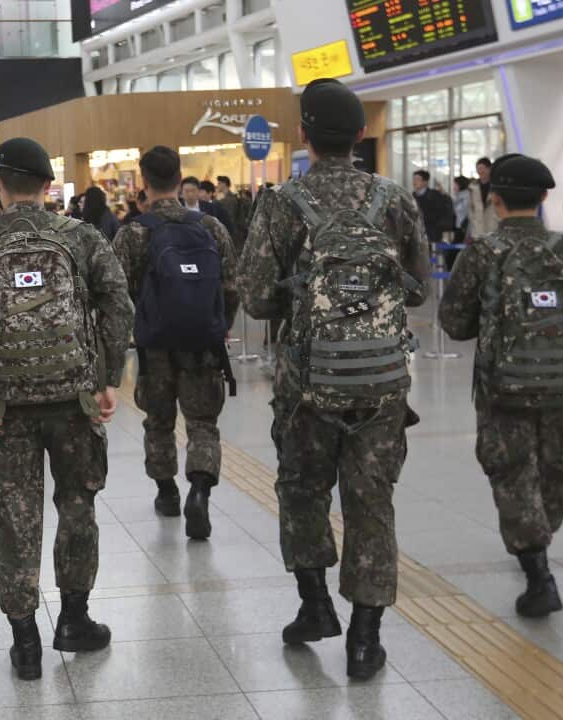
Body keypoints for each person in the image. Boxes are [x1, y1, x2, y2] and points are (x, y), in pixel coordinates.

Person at [237, 78, 430, 680]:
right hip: (381, 382)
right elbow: (419, 287)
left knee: (302, 489)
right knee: (371, 500)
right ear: (362, 135)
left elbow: (256, 298)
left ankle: (315, 604)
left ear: (303, 136)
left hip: (307, 385)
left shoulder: (281, 202)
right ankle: (366, 640)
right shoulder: (395, 199)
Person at [0, 136, 133, 681]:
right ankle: (74, 619)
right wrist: (107, 378)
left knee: (16, 518)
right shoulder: (83, 237)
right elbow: (118, 304)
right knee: (77, 508)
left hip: (8, 404)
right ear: (49, 186)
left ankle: (25, 643)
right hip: (75, 399)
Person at [438, 153, 563, 619]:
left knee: (513, 470)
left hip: (504, 386)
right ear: (545, 197)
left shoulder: (483, 251)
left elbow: (453, 322)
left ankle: (537, 572)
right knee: (553, 464)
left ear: (493, 199)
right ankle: (541, 541)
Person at [112, 146, 239, 537]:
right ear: (180, 176)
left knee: (159, 421)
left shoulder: (134, 233)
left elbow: (116, 296)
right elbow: (231, 286)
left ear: (144, 182)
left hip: (156, 348)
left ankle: (167, 493)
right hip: (203, 344)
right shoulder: (210, 228)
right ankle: (199, 491)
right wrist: (220, 325)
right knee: (202, 423)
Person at [412, 170, 456, 244]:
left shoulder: (435, 196)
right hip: (417, 234)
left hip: (433, 234)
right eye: (414, 179)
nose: (414, 182)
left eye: (417, 179)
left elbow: (441, 214)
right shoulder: (412, 197)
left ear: (425, 182)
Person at [467, 157, 500, 241]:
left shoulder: (497, 186)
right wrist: (473, 220)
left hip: (493, 226)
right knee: (479, 251)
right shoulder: (473, 187)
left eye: (483, 168)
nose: (480, 171)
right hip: (478, 228)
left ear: (489, 169)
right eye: (478, 169)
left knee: (495, 250)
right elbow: (470, 207)